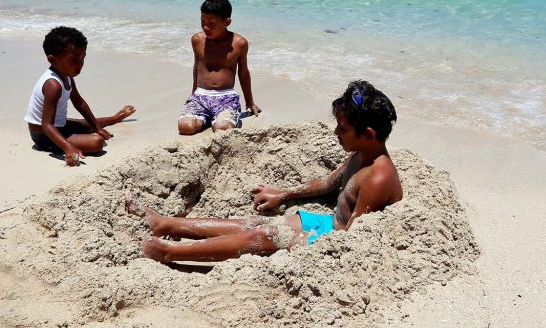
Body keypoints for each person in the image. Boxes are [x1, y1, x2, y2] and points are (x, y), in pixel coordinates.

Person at [127, 80, 404, 263]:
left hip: (335, 242)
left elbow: (353, 240)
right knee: (253, 223)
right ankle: (169, 225)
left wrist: (296, 236)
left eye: (342, 129)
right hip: (329, 225)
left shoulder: (378, 177)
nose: (335, 133)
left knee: (264, 235)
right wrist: (283, 194)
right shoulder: (362, 153)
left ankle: (169, 252)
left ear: (368, 134)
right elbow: (331, 182)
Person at [24, 27, 136, 166]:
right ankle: (71, 140)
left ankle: (115, 118)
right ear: (53, 60)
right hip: (43, 136)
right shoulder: (53, 85)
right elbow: (47, 126)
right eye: (73, 60)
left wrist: (97, 127)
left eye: (82, 59)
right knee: (97, 142)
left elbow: (79, 103)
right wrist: (68, 147)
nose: (80, 65)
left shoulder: (67, 77)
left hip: (59, 125)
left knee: (90, 124)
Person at [178, 0, 260, 135]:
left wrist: (250, 102)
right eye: (202, 22)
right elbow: (196, 67)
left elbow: (243, 73)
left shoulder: (239, 43)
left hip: (226, 97)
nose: (205, 27)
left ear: (227, 22)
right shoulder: (197, 40)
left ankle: (218, 118)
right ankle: (205, 117)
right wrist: (193, 93)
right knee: (185, 127)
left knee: (222, 129)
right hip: (201, 96)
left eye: (211, 24)